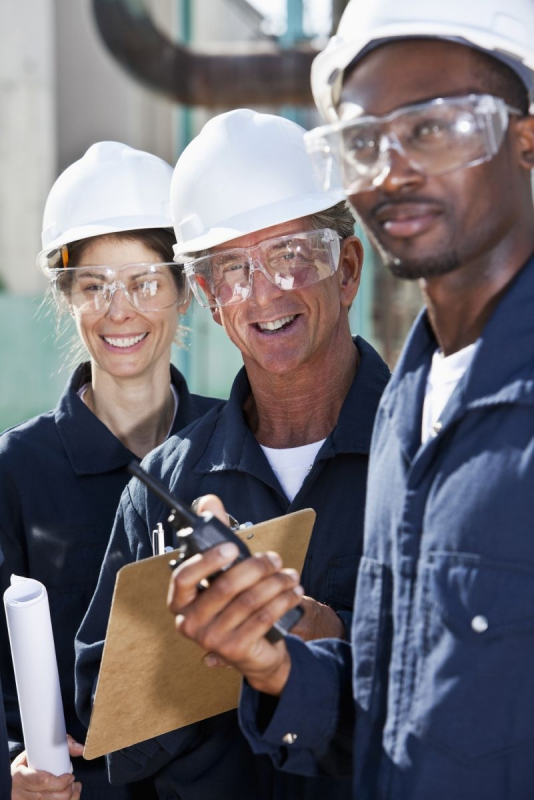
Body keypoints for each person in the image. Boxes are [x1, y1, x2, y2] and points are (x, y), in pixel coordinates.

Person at [165, 2, 534, 800]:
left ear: (525, 138)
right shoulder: (414, 409)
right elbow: (404, 717)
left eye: (432, 127)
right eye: (365, 143)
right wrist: (278, 662)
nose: (393, 169)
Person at [75, 109, 390, 799]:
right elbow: (104, 728)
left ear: (348, 269)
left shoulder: (428, 462)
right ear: (213, 302)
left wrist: (323, 638)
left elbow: (477, 694)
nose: (264, 291)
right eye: (232, 270)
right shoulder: (163, 488)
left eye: (290, 254)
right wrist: (190, 644)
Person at [0, 141, 220, 800]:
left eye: (145, 281)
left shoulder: (234, 445)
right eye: (95, 286)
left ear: (185, 289)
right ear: (68, 296)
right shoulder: (17, 472)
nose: (119, 310)